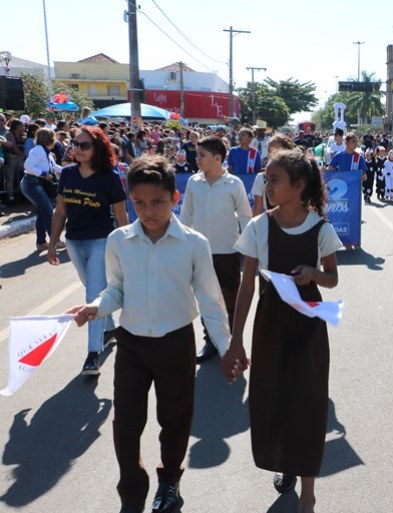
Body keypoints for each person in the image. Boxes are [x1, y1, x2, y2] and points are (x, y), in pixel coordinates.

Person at [66, 155, 234, 513]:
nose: (148, 211)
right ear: (130, 199)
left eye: (157, 201)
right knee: (126, 422)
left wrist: (227, 348)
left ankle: (169, 482)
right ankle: (131, 488)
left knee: (174, 420)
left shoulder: (193, 243)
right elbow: (116, 289)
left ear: (174, 198)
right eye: (139, 203)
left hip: (176, 343)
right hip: (132, 345)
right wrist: (97, 306)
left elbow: (211, 301)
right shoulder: (119, 241)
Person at [224, 148, 342, 512]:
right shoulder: (259, 225)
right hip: (270, 323)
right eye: (265, 177)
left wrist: (313, 274)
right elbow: (246, 286)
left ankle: (308, 491)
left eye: (274, 180)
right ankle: (287, 463)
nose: (266, 184)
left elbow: (333, 279)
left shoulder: (321, 227)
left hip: (308, 324)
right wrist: (236, 340)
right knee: (273, 398)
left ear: (299, 185)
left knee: (307, 400)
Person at [48, 126, 129, 375]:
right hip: (73, 242)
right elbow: (60, 211)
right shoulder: (69, 174)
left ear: (97, 149)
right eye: (75, 144)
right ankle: (109, 327)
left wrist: (127, 248)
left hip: (100, 242)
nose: (77, 149)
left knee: (92, 293)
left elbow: (120, 215)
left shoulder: (110, 177)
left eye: (84, 145)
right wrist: (53, 243)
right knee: (94, 290)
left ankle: (93, 353)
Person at [180, 135, 251, 363]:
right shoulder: (193, 182)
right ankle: (210, 340)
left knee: (230, 298)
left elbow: (245, 217)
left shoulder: (234, 184)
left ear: (218, 158)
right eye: (197, 154)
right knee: (206, 299)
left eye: (202, 155)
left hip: (228, 252)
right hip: (200, 253)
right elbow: (186, 216)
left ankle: (230, 340)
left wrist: (250, 249)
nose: (197, 158)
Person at [21, 128, 63, 252]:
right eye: (53, 138)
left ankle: (41, 242)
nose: (55, 140)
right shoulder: (38, 150)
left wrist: (72, 170)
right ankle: (55, 241)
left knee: (42, 212)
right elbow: (27, 166)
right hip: (31, 183)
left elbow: (54, 167)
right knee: (48, 210)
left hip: (35, 184)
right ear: (49, 139)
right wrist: (44, 174)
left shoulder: (46, 152)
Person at [251, 134, 296, 216]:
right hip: (272, 226)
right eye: (269, 151)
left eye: (276, 150)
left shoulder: (298, 175)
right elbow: (257, 210)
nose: (272, 154)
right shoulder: (261, 178)